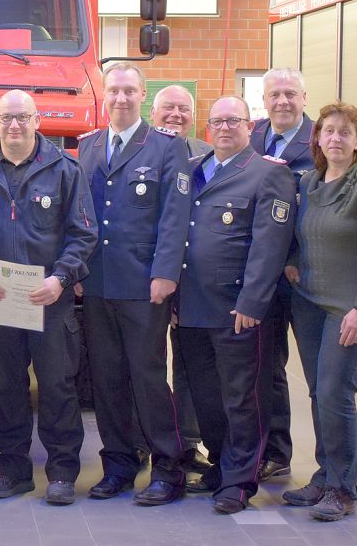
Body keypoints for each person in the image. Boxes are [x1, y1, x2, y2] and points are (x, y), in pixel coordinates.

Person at [0, 90, 97, 505]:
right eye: (6, 118)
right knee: (6, 385)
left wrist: (61, 278)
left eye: (22, 117)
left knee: (58, 386)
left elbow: (84, 233)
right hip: (0, 297)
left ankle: (61, 474)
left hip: (49, 298)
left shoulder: (65, 169)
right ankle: (12, 471)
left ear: (37, 120)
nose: (14, 125)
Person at [75, 62, 191, 506]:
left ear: (143, 95)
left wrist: (166, 273)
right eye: (114, 91)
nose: (121, 99)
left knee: (147, 377)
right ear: (104, 95)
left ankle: (167, 469)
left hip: (145, 284)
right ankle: (119, 465)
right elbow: (80, 216)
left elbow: (175, 215)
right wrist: (78, 272)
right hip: (98, 283)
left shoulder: (165, 147)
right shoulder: (87, 146)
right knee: (105, 379)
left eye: (129, 91)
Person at [177, 96, 296, 514]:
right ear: (207, 128)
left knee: (242, 398)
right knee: (206, 395)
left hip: (237, 309)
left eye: (234, 121)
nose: (225, 128)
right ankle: (219, 464)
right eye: (217, 122)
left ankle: (239, 481)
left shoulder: (268, 175)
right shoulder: (193, 170)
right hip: (191, 307)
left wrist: (253, 301)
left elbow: (270, 246)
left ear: (250, 126)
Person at [281, 102, 357, 521]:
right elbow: (299, 230)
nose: (335, 139)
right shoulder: (310, 182)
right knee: (318, 392)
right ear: (318, 138)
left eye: (345, 132)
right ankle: (327, 471)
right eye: (328, 131)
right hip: (310, 303)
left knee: (335, 392)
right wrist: (293, 258)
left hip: (354, 308)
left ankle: (342, 488)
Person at [247, 67, 313, 483]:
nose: (283, 102)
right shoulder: (251, 137)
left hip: (307, 279)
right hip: (264, 278)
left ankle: (343, 467)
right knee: (267, 369)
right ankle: (276, 452)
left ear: (305, 98)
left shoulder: (323, 140)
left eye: (291, 94)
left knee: (324, 378)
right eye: (275, 95)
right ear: (264, 100)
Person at [149, 84, 212, 474]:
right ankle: (145, 438)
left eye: (183, 108)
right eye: (167, 108)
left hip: (198, 282)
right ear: (152, 113)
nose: (175, 114)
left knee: (190, 365)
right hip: (153, 277)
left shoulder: (211, 157)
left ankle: (188, 443)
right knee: (145, 363)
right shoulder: (142, 151)